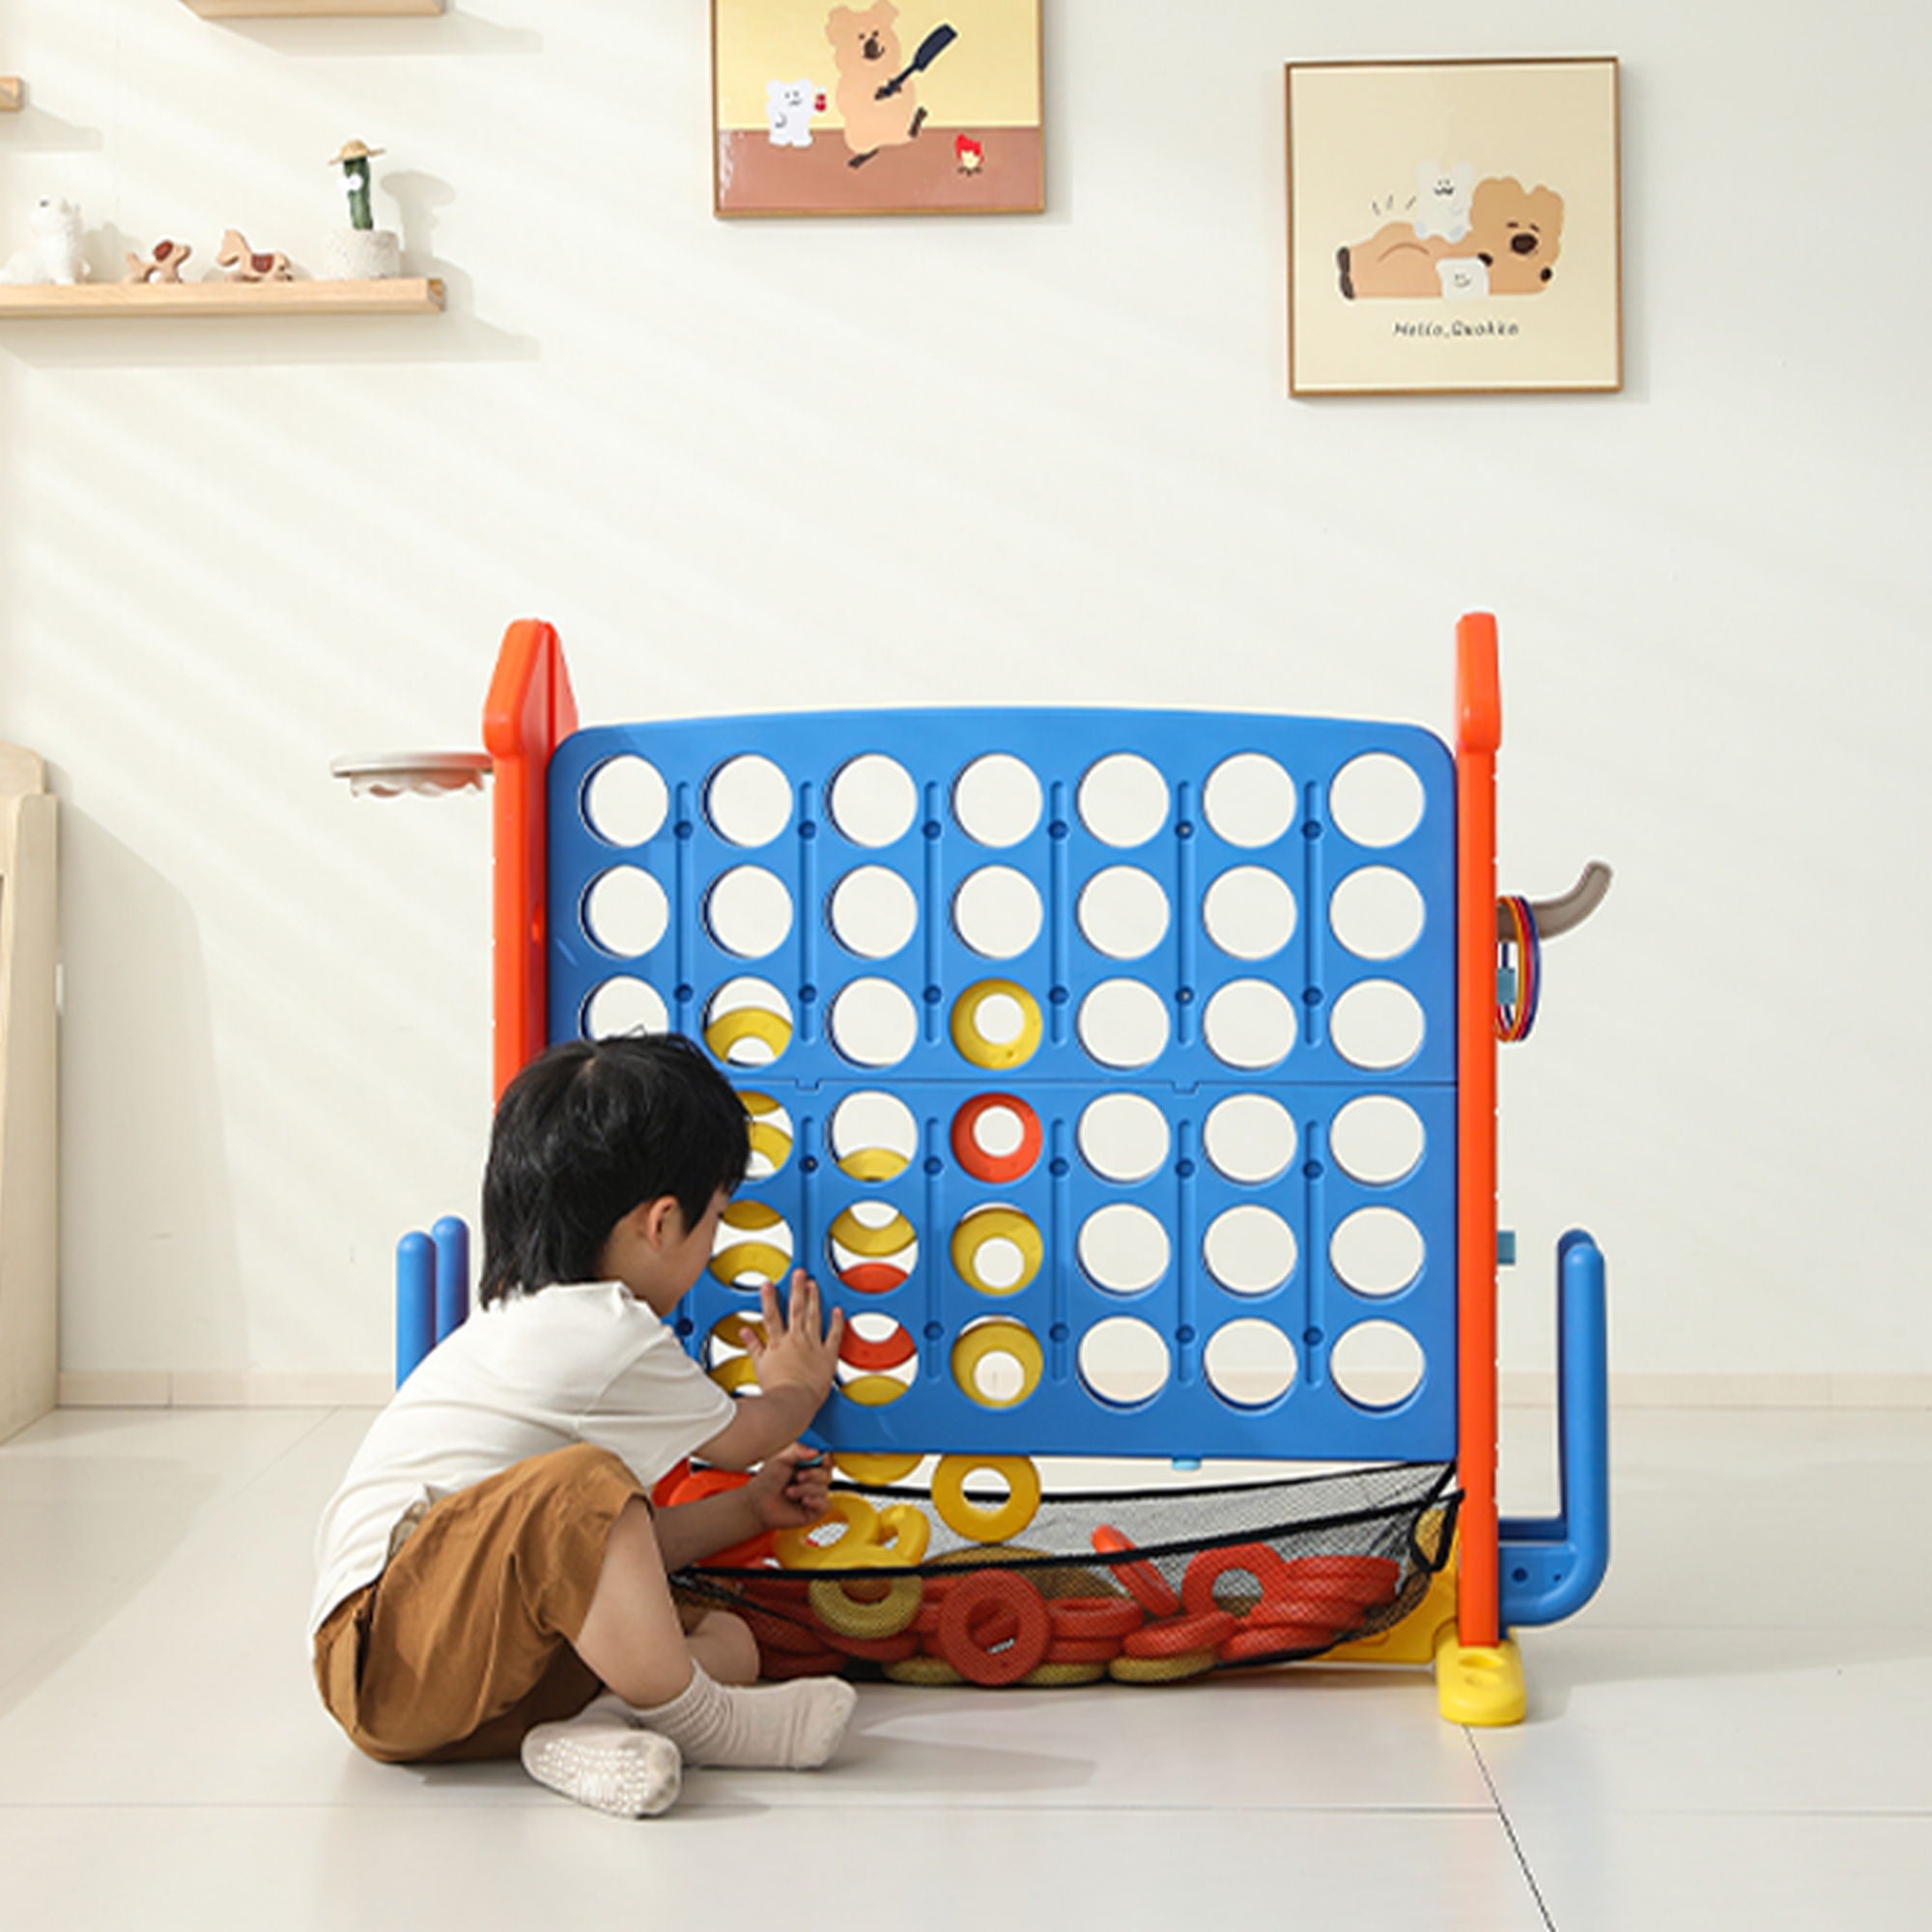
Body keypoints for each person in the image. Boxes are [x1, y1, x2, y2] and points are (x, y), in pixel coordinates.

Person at [309, 1032, 851, 1818]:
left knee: (724, 1637)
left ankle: (591, 1732)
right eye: (717, 1222)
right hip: (385, 1657)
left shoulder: (520, 1328)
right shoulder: (602, 1329)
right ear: (662, 1223)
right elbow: (743, 1436)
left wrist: (744, 1510)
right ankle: (705, 1722)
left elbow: (595, 1555)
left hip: (468, 1684)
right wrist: (796, 1386)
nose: (711, 1251)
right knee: (585, 1485)